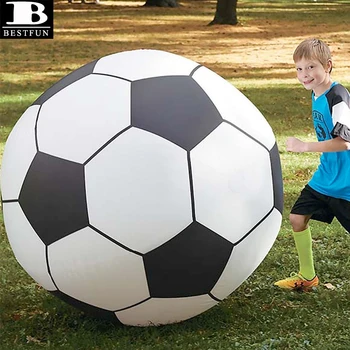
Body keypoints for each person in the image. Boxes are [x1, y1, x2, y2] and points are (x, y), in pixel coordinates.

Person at [274, 38, 350, 290]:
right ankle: (307, 278)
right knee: (297, 218)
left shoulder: (338, 96)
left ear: (328, 66)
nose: (305, 74)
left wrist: (305, 146)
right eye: (299, 69)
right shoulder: (317, 95)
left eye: (311, 67)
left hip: (346, 184)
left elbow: (344, 142)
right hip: (325, 178)